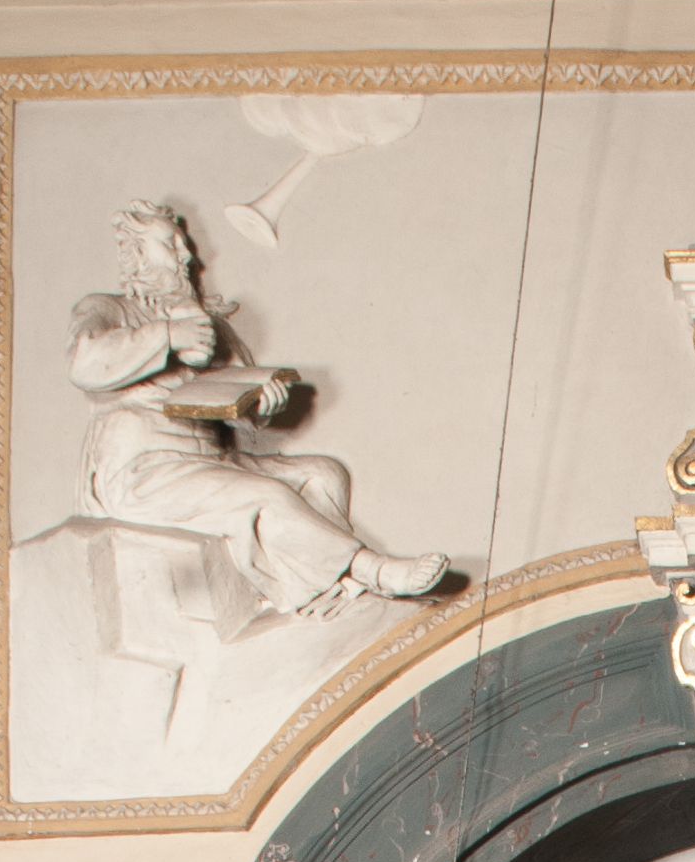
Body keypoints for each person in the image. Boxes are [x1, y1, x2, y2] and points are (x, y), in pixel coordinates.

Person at [69, 202, 447, 615]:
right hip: (143, 470)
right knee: (266, 495)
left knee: (322, 473)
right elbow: (85, 362)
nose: (186, 256)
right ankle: (369, 569)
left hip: (211, 460)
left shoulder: (211, 325)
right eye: (170, 245)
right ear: (137, 254)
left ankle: (327, 592)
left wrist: (261, 404)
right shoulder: (108, 309)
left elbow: (236, 387)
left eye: (183, 245)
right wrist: (169, 335)